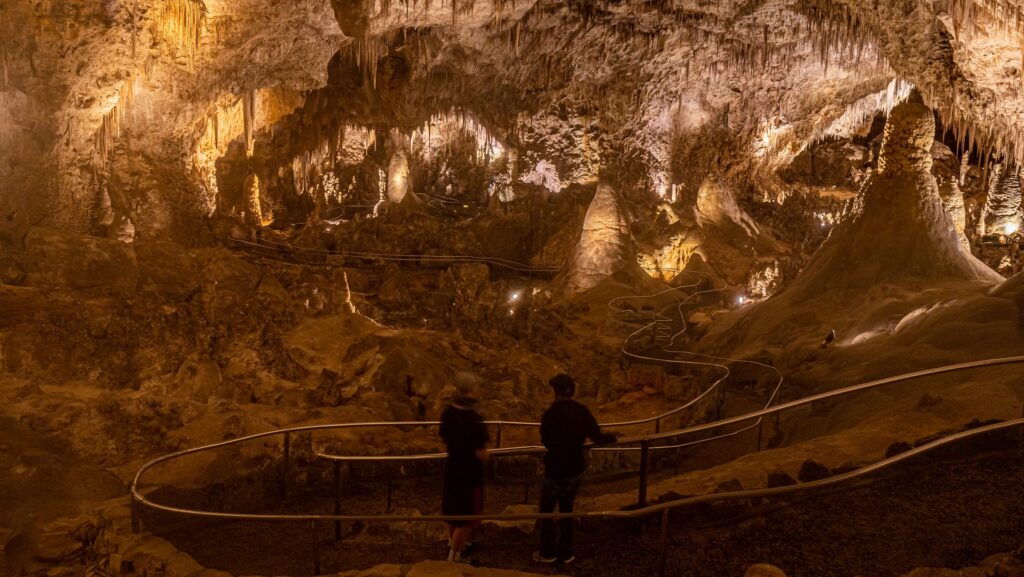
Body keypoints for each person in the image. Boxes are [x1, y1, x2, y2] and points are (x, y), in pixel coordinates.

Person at [533, 374, 618, 564]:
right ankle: (566, 551)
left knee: (546, 511)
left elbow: (545, 441)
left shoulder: (550, 414)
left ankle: (547, 552)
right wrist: (610, 438)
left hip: (555, 469)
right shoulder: (582, 411)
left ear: (555, 392)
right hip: (575, 469)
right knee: (567, 509)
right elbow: (597, 435)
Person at [439, 373, 489, 563]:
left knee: (454, 515)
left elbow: (443, 441)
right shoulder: (474, 420)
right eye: (477, 388)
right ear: (469, 392)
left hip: (452, 470)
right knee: (466, 521)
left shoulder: (447, 413)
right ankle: (454, 558)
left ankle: (454, 546)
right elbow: (481, 453)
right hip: (470, 475)